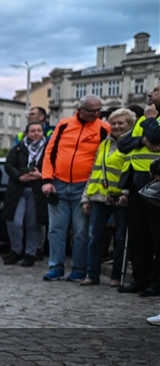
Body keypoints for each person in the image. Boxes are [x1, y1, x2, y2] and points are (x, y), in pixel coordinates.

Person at [41, 95, 110, 282]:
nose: (96, 114)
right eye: (92, 111)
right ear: (80, 109)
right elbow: (50, 152)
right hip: (58, 184)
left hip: (84, 186)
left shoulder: (104, 129)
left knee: (81, 231)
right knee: (56, 229)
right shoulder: (63, 125)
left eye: (99, 110)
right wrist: (47, 179)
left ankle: (79, 269)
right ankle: (55, 267)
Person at [80, 109, 134, 286]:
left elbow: (131, 170)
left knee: (119, 238)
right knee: (94, 236)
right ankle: (92, 274)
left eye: (121, 123)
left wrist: (126, 193)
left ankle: (116, 277)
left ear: (130, 125)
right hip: (99, 196)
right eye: (114, 123)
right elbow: (94, 171)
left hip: (120, 197)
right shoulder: (104, 144)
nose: (116, 126)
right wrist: (86, 197)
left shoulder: (133, 143)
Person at [117, 84, 160, 296]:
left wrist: (151, 120)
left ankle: (157, 282)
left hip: (156, 185)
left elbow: (157, 138)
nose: (150, 93)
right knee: (137, 234)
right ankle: (140, 279)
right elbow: (123, 145)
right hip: (135, 183)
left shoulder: (149, 117)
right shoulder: (144, 119)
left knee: (157, 235)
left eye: (156, 90)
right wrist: (142, 139)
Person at [2, 123, 48, 268]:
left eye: (39, 131)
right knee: (14, 222)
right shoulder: (18, 148)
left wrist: (41, 175)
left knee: (33, 223)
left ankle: (30, 253)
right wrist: (19, 176)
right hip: (18, 189)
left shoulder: (48, 149)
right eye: (33, 131)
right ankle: (16, 250)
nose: (36, 133)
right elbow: (8, 165)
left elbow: (56, 167)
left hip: (38, 191)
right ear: (27, 133)